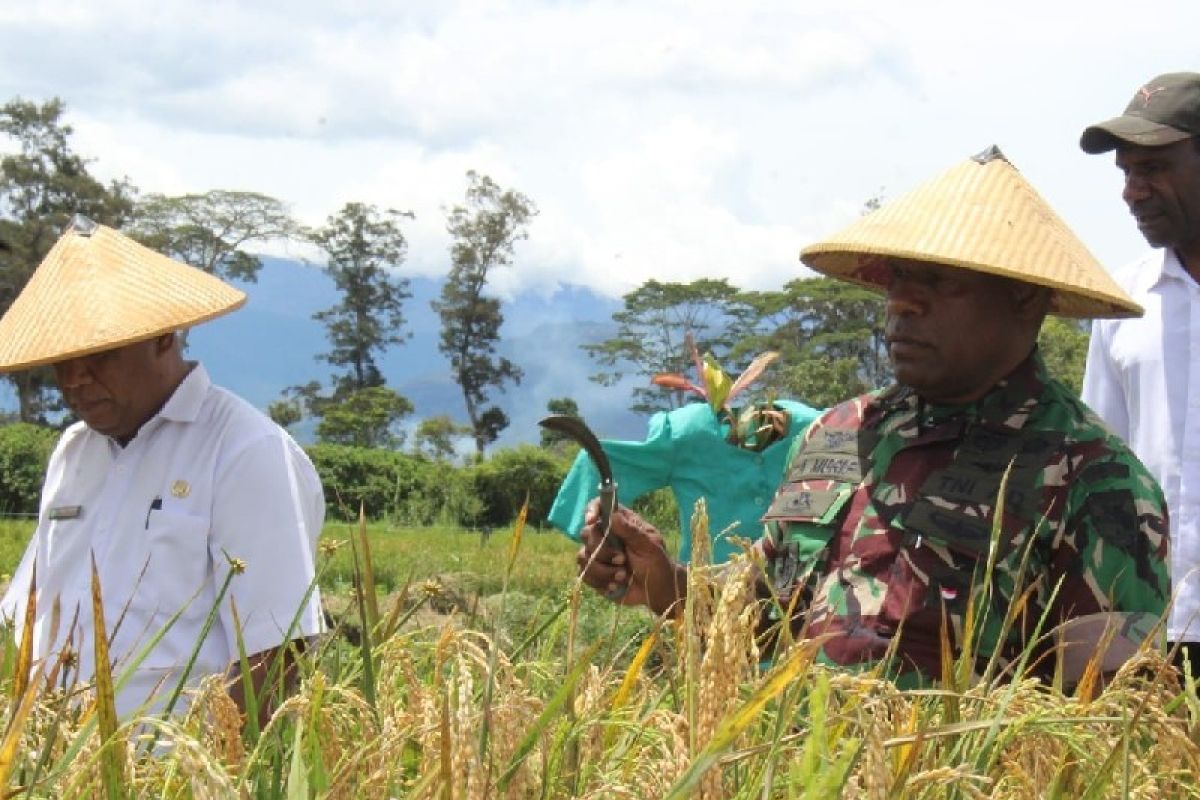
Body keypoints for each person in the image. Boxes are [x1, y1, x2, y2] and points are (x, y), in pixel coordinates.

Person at [578, 147, 1170, 687]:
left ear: (1023, 297)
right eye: (898, 279)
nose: (902, 303)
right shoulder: (839, 432)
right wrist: (662, 580)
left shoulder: (1093, 480)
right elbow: (765, 612)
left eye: (937, 280)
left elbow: (1112, 725)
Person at [0, 217, 325, 723]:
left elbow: (275, 654)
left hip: (170, 774)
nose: (74, 378)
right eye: (60, 360)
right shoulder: (74, 453)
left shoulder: (246, 451)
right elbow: (26, 617)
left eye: (98, 353)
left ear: (163, 338)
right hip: (56, 767)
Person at [1079, 71, 1200, 673]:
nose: (1132, 191)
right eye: (1126, 172)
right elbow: (1102, 466)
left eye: (1152, 168)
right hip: (1148, 628)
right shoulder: (1121, 302)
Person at [548, 398, 820, 564]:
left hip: (802, 609)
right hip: (706, 606)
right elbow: (603, 460)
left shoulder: (818, 430)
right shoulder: (688, 433)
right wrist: (600, 532)